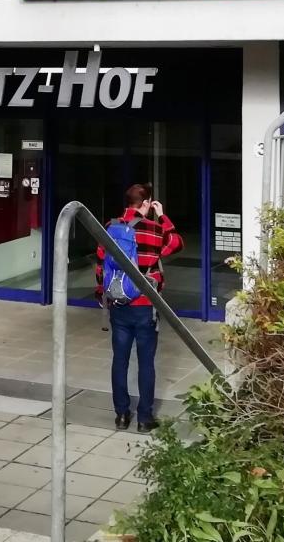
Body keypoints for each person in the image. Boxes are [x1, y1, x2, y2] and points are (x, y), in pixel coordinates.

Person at [95, 184, 182, 432]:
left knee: (119, 360)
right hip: (146, 304)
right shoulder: (154, 228)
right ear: (146, 203)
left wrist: (103, 295)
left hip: (119, 303)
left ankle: (122, 415)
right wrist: (162, 215)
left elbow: (101, 266)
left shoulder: (110, 227)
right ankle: (144, 418)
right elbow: (176, 244)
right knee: (146, 362)